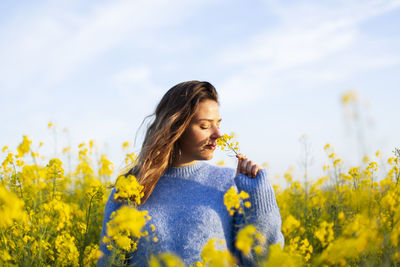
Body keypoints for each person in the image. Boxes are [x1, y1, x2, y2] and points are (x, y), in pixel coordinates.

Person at [98, 81, 284, 266]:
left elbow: (262, 261)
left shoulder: (229, 183)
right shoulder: (132, 188)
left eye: (218, 124)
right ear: (176, 127)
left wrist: (259, 197)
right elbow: (110, 262)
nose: (218, 134)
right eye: (204, 126)